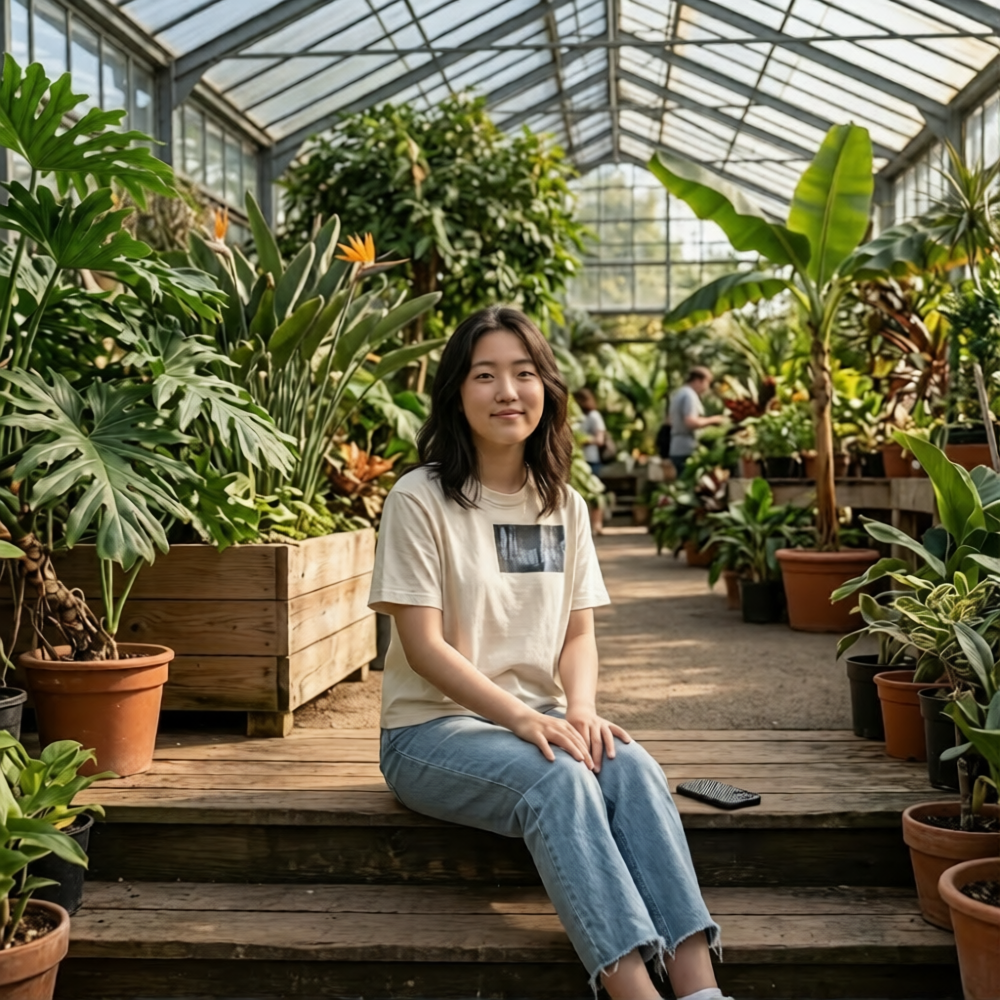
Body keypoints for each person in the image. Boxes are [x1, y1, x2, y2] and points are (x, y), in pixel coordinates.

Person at [369, 305, 728, 1000]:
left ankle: (699, 984)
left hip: (539, 718)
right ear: (456, 392)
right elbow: (422, 646)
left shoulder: (561, 502)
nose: (508, 391)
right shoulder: (420, 499)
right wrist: (525, 721)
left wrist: (582, 710)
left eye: (524, 373)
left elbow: (578, 632)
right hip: (427, 733)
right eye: (485, 375)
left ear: (546, 389)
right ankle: (634, 991)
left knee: (631, 765)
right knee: (561, 778)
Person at [667, 366, 725, 478]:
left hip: (676, 447)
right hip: (686, 448)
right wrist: (713, 420)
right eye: (707, 382)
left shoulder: (679, 393)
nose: (707, 387)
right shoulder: (689, 396)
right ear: (698, 380)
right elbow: (690, 422)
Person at [574, 387, 608, 475]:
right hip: (580, 460)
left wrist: (584, 440)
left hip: (591, 460)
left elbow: (600, 440)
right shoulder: (581, 417)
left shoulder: (594, 415)